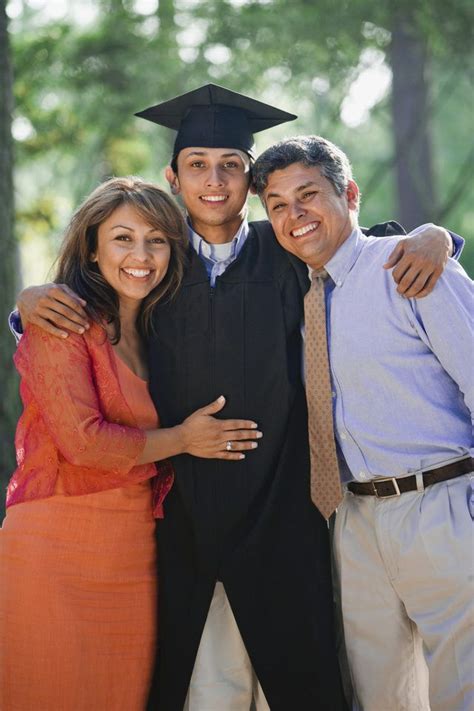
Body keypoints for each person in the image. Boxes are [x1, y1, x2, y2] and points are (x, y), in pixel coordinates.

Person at [12, 85, 460, 711]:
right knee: (196, 683)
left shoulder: (286, 251)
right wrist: (27, 304)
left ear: (250, 182)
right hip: (179, 518)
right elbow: (92, 310)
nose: (214, 180)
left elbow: (365, 247)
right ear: (174, 177)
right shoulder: (157, 269)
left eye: (231, 165)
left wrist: (439, 238)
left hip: (283, 509)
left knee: (304, 680)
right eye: (197, 165)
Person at [0, 176, 262, 711]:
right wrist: (184, 439)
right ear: (92, 249)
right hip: (56, 546)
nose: (141, 255)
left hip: (135, 550)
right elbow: (84, 444)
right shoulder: (62, 322)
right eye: (122, 238)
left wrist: (432, 239)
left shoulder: (161, 326)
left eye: (157, 239)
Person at [252, 134, 473, 711]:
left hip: (443, 505)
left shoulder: (410, 267)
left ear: (348, 194)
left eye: (309, 195)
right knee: (381, 697)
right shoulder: (295, 294)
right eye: (277, 204)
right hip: (352, 519)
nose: (294, 215)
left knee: (464, 686)